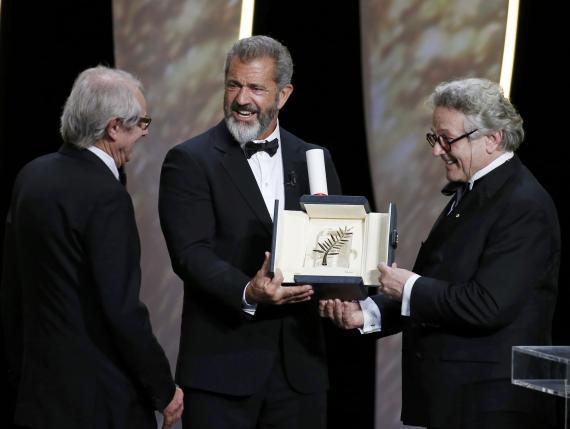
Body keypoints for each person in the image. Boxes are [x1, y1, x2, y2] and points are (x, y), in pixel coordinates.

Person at [319, 78, 560, 429]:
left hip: (496, 405)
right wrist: (366, 314)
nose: (437, 150)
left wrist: (409, 288)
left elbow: (486, 304)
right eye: (434, 138)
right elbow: (439, 284)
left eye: (447, 139)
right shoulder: (474, 192)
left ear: (492, 139)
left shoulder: (524, 204)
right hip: (459, 400)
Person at [158, 35, 341, 429]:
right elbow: (190, 253)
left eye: (256, 88)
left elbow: (333, 242)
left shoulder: (313, 158)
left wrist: (351, 288)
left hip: (300, 373)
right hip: (221, 372)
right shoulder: (189, 160)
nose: (242, 99)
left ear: (284, 94)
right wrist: (247, 291)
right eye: (233, 85)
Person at [0, 66, 183, 429]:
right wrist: (163, 389)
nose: (145, 132)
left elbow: (13, 291)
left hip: (39, 399)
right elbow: (122, 311)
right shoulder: (107, 196)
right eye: (141, 122)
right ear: (114, 127)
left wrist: (20, 377)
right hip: (101, 404)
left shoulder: (31, 176)